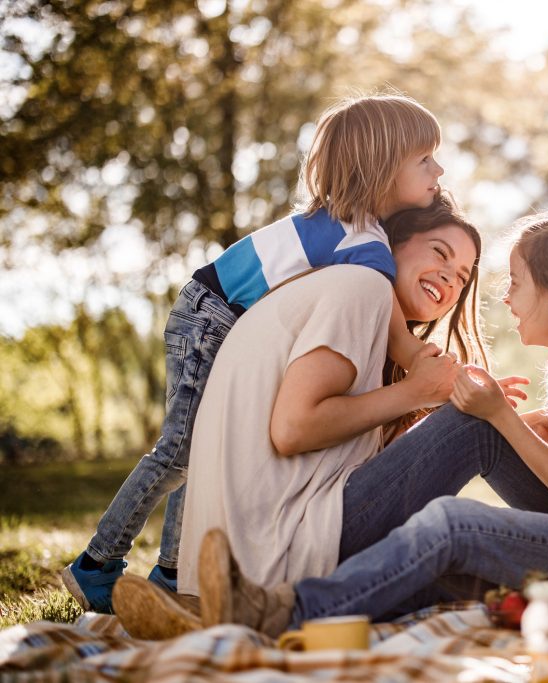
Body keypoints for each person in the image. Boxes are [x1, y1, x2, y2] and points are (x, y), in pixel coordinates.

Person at [114, 213, 548, 637]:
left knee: (452, 523)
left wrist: (499, 414)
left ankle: (282, 612)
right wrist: (518, 422)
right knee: (443, 546)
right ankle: (218, 616)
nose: (503, 296)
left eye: (515, 283)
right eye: (443, 256)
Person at [63, 93, 450, 614]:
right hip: (210, 312)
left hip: (217, 312)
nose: (439, 169)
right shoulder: (361, 241)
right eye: (424, 159)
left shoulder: (352, 230)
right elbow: (397, 333)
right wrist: (432, 372)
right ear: (381, 165)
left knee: (201, 451)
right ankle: (98, 563)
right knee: (179, 451)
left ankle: (173, 572)